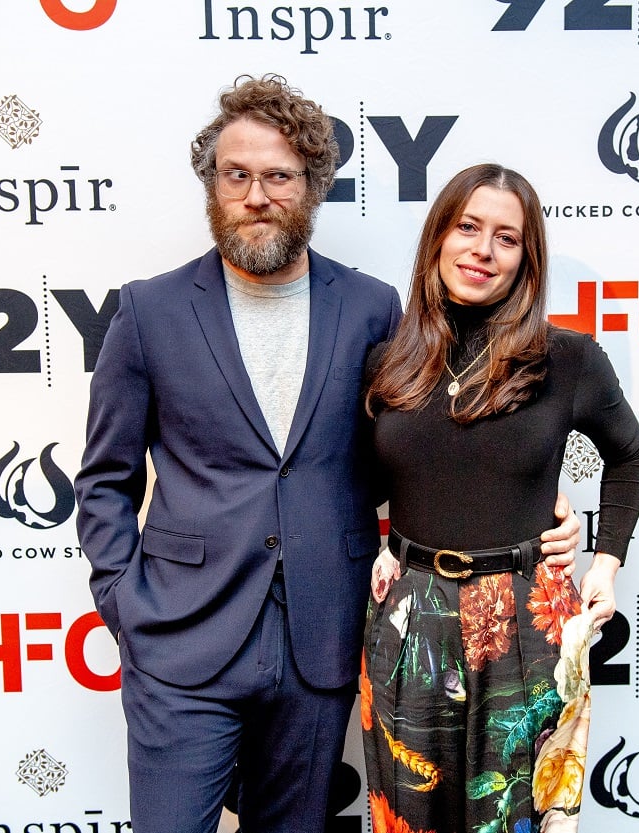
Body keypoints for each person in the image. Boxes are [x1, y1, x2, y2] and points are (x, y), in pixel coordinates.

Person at [73, 76, 582, 833]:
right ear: (212, 185)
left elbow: (421, 444)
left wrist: (540, 500)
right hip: (180, 642)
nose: (256, 195)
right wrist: (127, 607)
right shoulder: (150, 311)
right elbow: (104, 480)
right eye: (236, 174)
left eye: (278, 176)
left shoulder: (371, 307)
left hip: (321, 639)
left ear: (312, 186)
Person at [360, 163, 639, 833]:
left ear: (527, 258)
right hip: (409, 613)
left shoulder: (567, 359)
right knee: (408, 812)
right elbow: (358, 478)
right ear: (439, 237)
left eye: (506, 237)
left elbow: (629, 453)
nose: (482, 250)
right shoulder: (388, 361)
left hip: (527, 615)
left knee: (515, 816)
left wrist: (605, 561)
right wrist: (379, 544)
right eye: (467, 227)